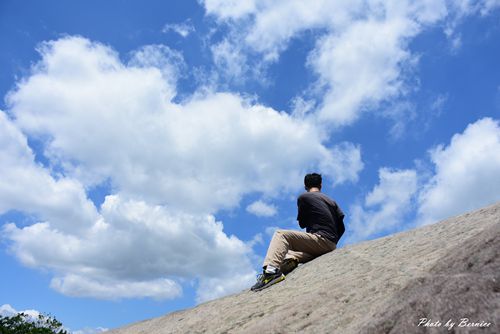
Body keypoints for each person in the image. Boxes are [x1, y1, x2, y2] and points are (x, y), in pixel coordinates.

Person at [251, 173, 345, 291]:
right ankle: (285, 264)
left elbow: (302, 223)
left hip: (320, 239)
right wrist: (332, 243)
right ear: (320, 185)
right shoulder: (332, 202)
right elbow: (342, 227)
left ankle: (270, 273)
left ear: (305, 186)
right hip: (330, 245)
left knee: (281, 235)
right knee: (288, 254)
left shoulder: (304, 198)